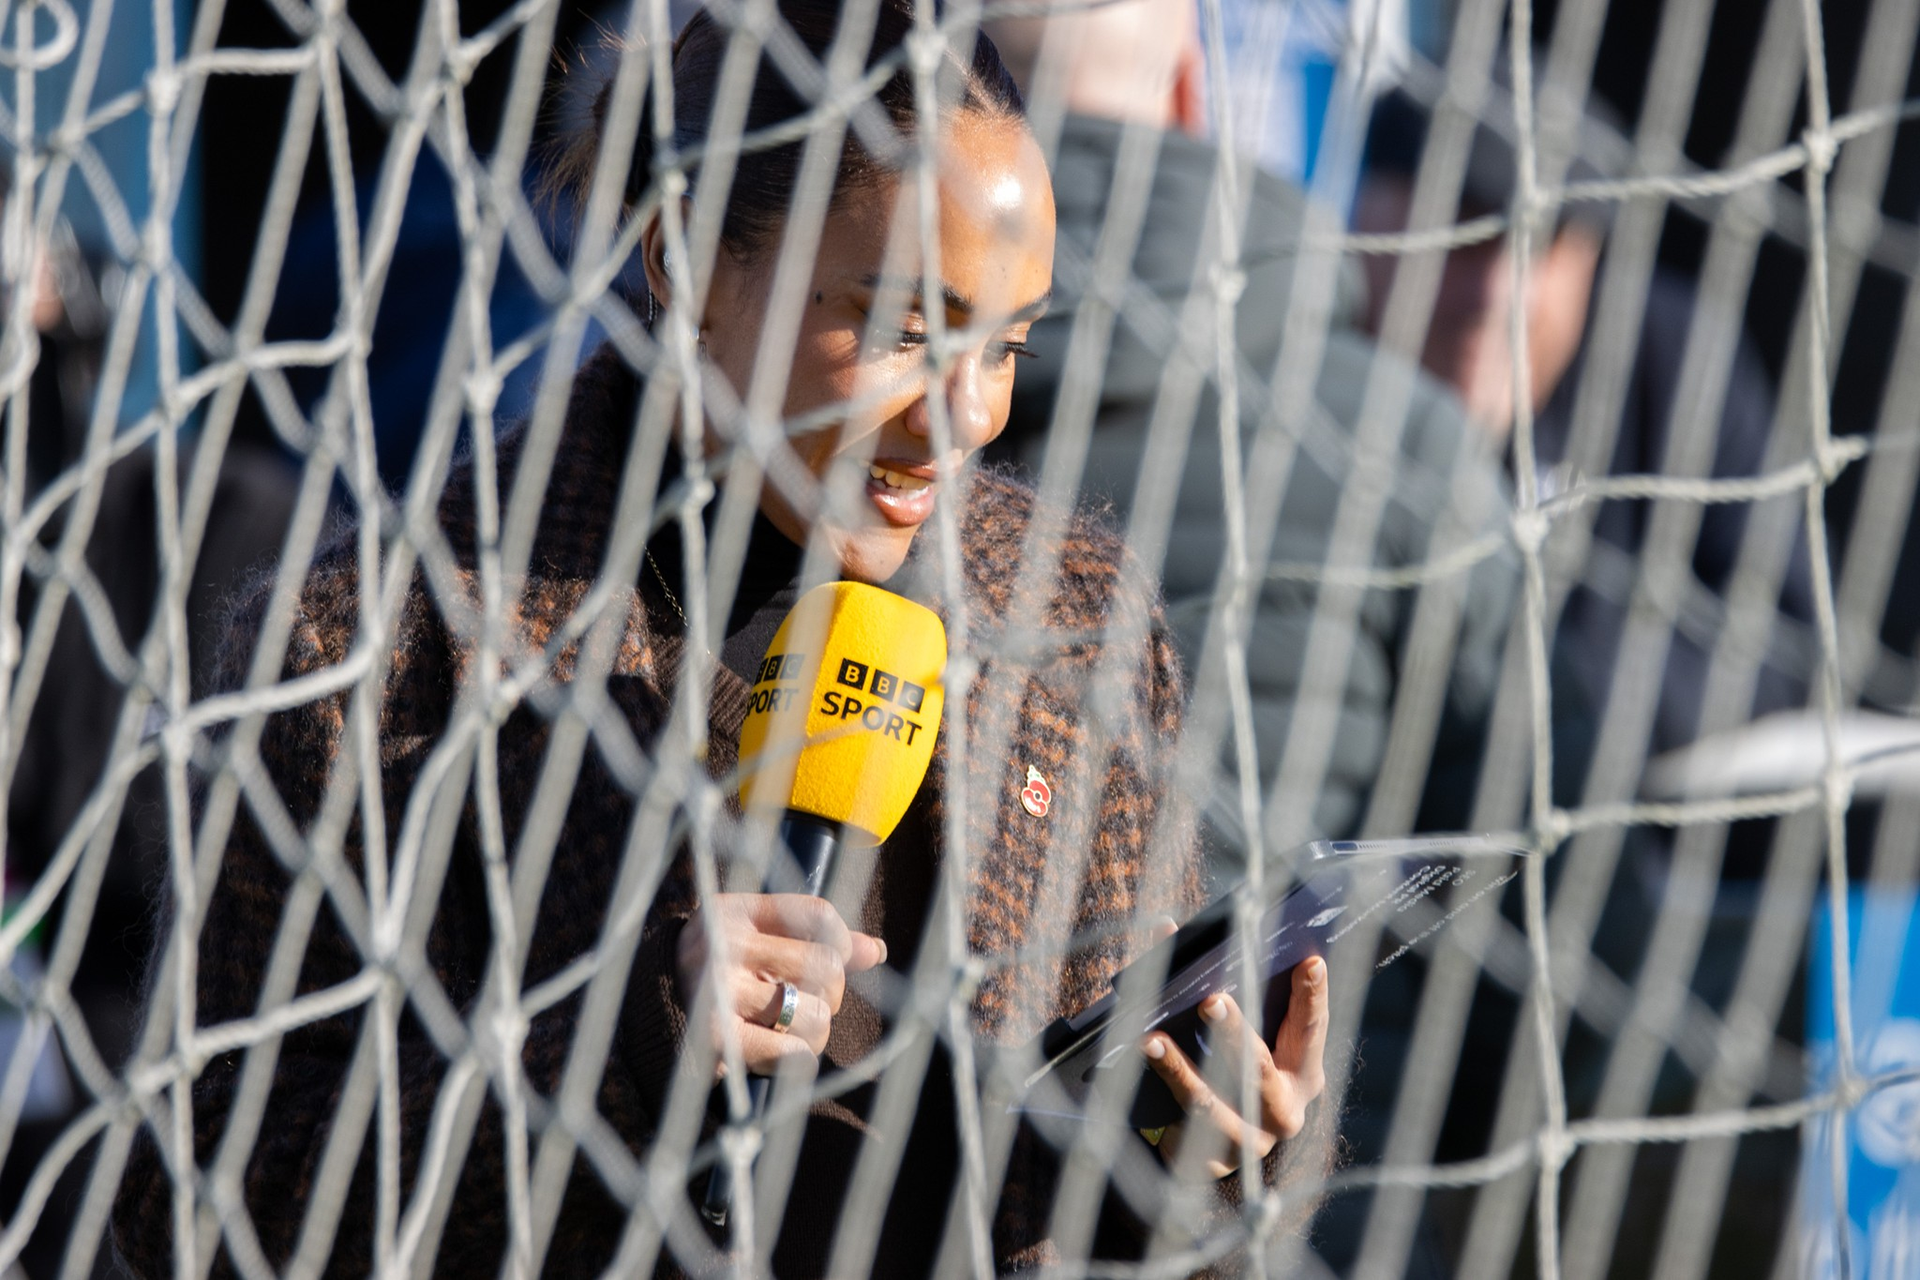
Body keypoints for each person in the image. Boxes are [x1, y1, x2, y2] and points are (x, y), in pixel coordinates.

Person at [109, 3, 1331, 1276]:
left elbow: (1136, 1165)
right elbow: (190, 1191)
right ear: (681, 261)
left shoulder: (1076, 616)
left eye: (1007, 346)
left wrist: (1217, 1156)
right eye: (909, 327)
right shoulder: (369, 646)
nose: (961, 417)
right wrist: (625, 1055)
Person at [984, 2, 1520, 849]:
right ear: (1195, 88)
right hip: (1276, 978)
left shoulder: (811, 380)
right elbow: (1503, 869)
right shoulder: (1401, 441)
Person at [1354, 84, 1816, 769]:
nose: (1494, 294)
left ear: (1588, 262)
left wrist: (1538, 711)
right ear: (1368, 226)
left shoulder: (1666, 358)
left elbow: (1785, 639)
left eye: (1534, 243)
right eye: (1459, 232)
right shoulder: (1297, 382)